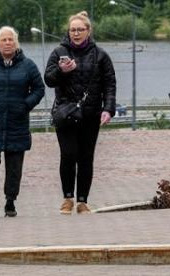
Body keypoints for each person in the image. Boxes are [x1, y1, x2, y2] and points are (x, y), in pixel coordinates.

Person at [44, 11, 117, 215]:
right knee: (68, 154)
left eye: (80, 30)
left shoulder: (100, 55)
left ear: (88, 31)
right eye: (72, 30)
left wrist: (108, 108)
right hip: (66, 113)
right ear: (68, 32)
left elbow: (109, 84)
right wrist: (62, 71)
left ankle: (83, 201)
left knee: (85, 157)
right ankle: (67, 198)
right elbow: (48, 80)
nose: (76, 33)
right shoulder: (59, 52)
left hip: (90, 114)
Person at [0, 26, 45, 218]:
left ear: (16, 42)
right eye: (4, 40)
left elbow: (39, 89)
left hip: (17, 124)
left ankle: (10, 200)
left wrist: (26, 104)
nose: (7, 43)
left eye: (11, 39)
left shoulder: (28, 65)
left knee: (14, 167)